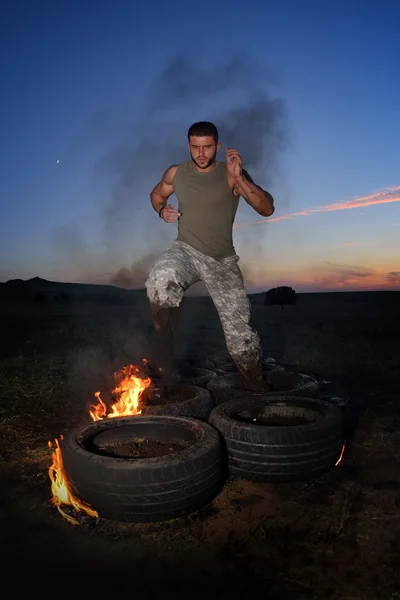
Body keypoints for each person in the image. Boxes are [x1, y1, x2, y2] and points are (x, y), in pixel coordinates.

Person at [145, 121, 275, 388]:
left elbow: (266, 208)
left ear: (218, 146)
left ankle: (253, 383)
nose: (201, 153)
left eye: (207, 147)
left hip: (221, 260)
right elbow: (157, 194)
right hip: (186, 250)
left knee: (242, 333)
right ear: (188, 146)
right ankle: (163, 364)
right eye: (195, 147)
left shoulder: (230, 174)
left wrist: (239, 178)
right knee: (160, 279)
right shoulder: (176, 173)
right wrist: (161, 211)